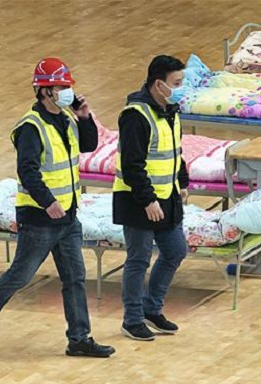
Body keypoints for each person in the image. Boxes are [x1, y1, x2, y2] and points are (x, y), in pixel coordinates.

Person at [0, 57, 114, 358]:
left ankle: (79, 338)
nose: (68, 91)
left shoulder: (66, 118)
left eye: (68, 86)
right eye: (62, 86)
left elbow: (86, 146)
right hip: (40, 217)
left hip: (68, 215)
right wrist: (49, 202)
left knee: (75, 277)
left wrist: (85, 117)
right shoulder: (30, 127)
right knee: (20, 275)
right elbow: (27, 171)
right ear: (45, 90)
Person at [112, 55, 189, 342]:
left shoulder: (171, 110)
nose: (182, 88)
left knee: (175, 250)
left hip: (167, 196)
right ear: (159, 84)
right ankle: (132, 319)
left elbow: (175, 150)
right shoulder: (135, 116)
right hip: (138, 200)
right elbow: (132, 165)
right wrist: (147, 200)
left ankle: (151, 308)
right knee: (138, 259)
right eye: (177, 83)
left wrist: (182, 180)